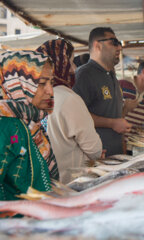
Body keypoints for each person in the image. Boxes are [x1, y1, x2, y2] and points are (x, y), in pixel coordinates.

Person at [37, 39, 103, 184]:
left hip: (42, 182)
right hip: (72, 184)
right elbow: (94, 149)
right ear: (60, 64)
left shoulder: (31, 95)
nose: (73, 69)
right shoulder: (68, 98)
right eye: (71, 62)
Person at [0, 50, 57, 200]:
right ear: (16, 84)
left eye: (51, 82)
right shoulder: (6, 125)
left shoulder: (30, 121)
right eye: (41, 83)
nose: (50, 91)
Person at [73, 27, 132, 156]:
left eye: (119, 43)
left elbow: (114, 116)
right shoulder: (84, 75)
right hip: (96, 157)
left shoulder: (111, 74)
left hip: (115, 155)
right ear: (97, 45)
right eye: (114, 42)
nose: (119, 48)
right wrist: (112, 123)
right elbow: (76, 117)